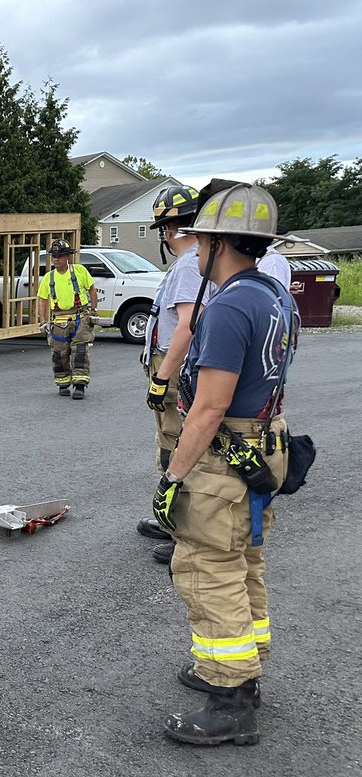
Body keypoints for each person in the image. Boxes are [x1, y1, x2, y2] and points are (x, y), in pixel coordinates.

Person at [151, 183, 305, 746]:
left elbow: (210, 407)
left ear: (219, 243)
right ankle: (245, 666)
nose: (192, 251)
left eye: (199, 241)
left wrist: (172, 479)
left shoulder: (231, 305)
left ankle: (231, 698)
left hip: (224, 457)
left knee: (207, 569)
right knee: (245, 562)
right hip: (262, 448)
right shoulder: (274, 296)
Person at [137, 185, 202, 561]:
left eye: (166, 227)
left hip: (174, 366)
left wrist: (162, 377)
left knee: (179, 446)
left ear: (175, 228)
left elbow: (187, 325)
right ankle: (172, 521)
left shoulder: (190, 265)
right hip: (171, 363)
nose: (165, 234)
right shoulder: (192, 262)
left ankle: (186, 532)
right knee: (171, 441)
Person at [36, 239, 99, 399]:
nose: (56, 259)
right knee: (59, 354)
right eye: (54, 256)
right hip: (58, 321)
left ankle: (79, 385)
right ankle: (63, 383)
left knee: (80, 352)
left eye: (60, 256)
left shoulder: (79, 271)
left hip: (80, 318)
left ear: (67, 257)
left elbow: (92, 289)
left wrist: (93, 310)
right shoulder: (49, 278)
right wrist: (43, 321)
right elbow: (42, 300)